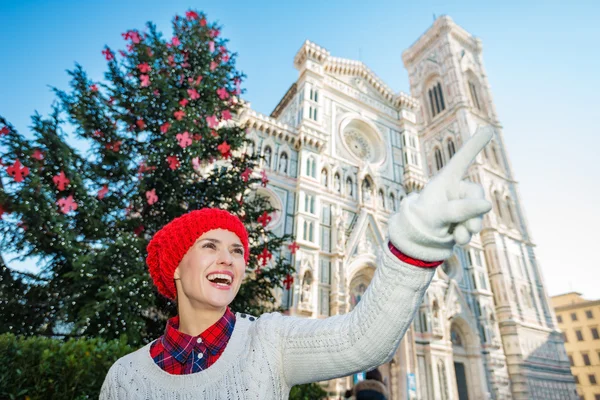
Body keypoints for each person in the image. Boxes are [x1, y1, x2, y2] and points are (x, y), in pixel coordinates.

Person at [100, 128, 494, 399]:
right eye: (210, 246)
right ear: (175, 266)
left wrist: (416, 241)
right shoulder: (125, 377)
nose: (228, 258)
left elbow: (363, 339)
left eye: (238, 250)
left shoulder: (269, 343)